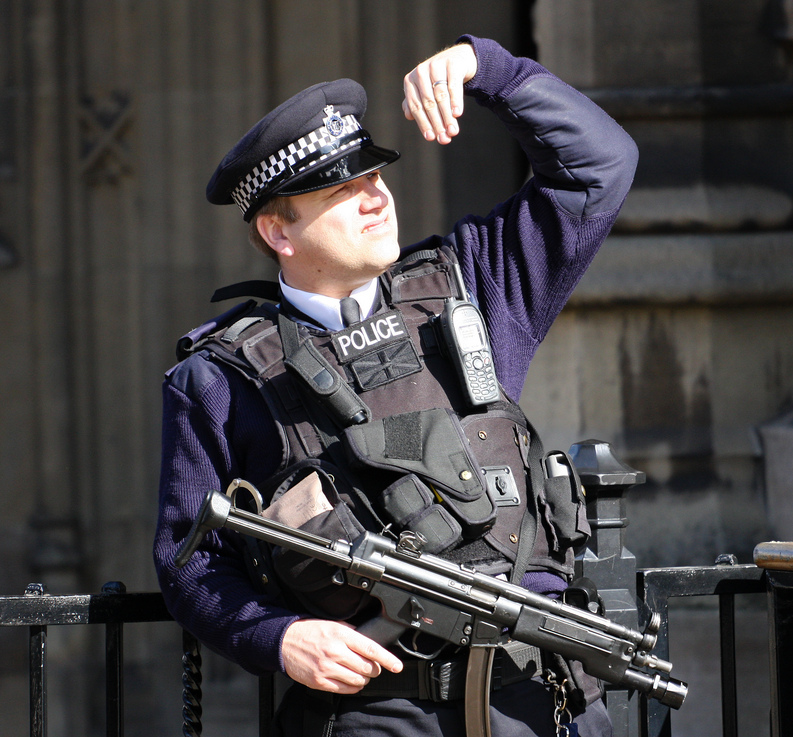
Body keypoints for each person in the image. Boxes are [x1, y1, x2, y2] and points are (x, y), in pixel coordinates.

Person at [153, 34, 637, 737]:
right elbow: (190, 562)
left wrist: (487, 68)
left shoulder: (473, 281)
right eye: (339, 189)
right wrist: (280, 638)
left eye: (374, 176)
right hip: (378, 708)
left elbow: (601, 166)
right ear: (277, 230)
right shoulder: (219, 376)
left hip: (539, 692)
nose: (374, 197)